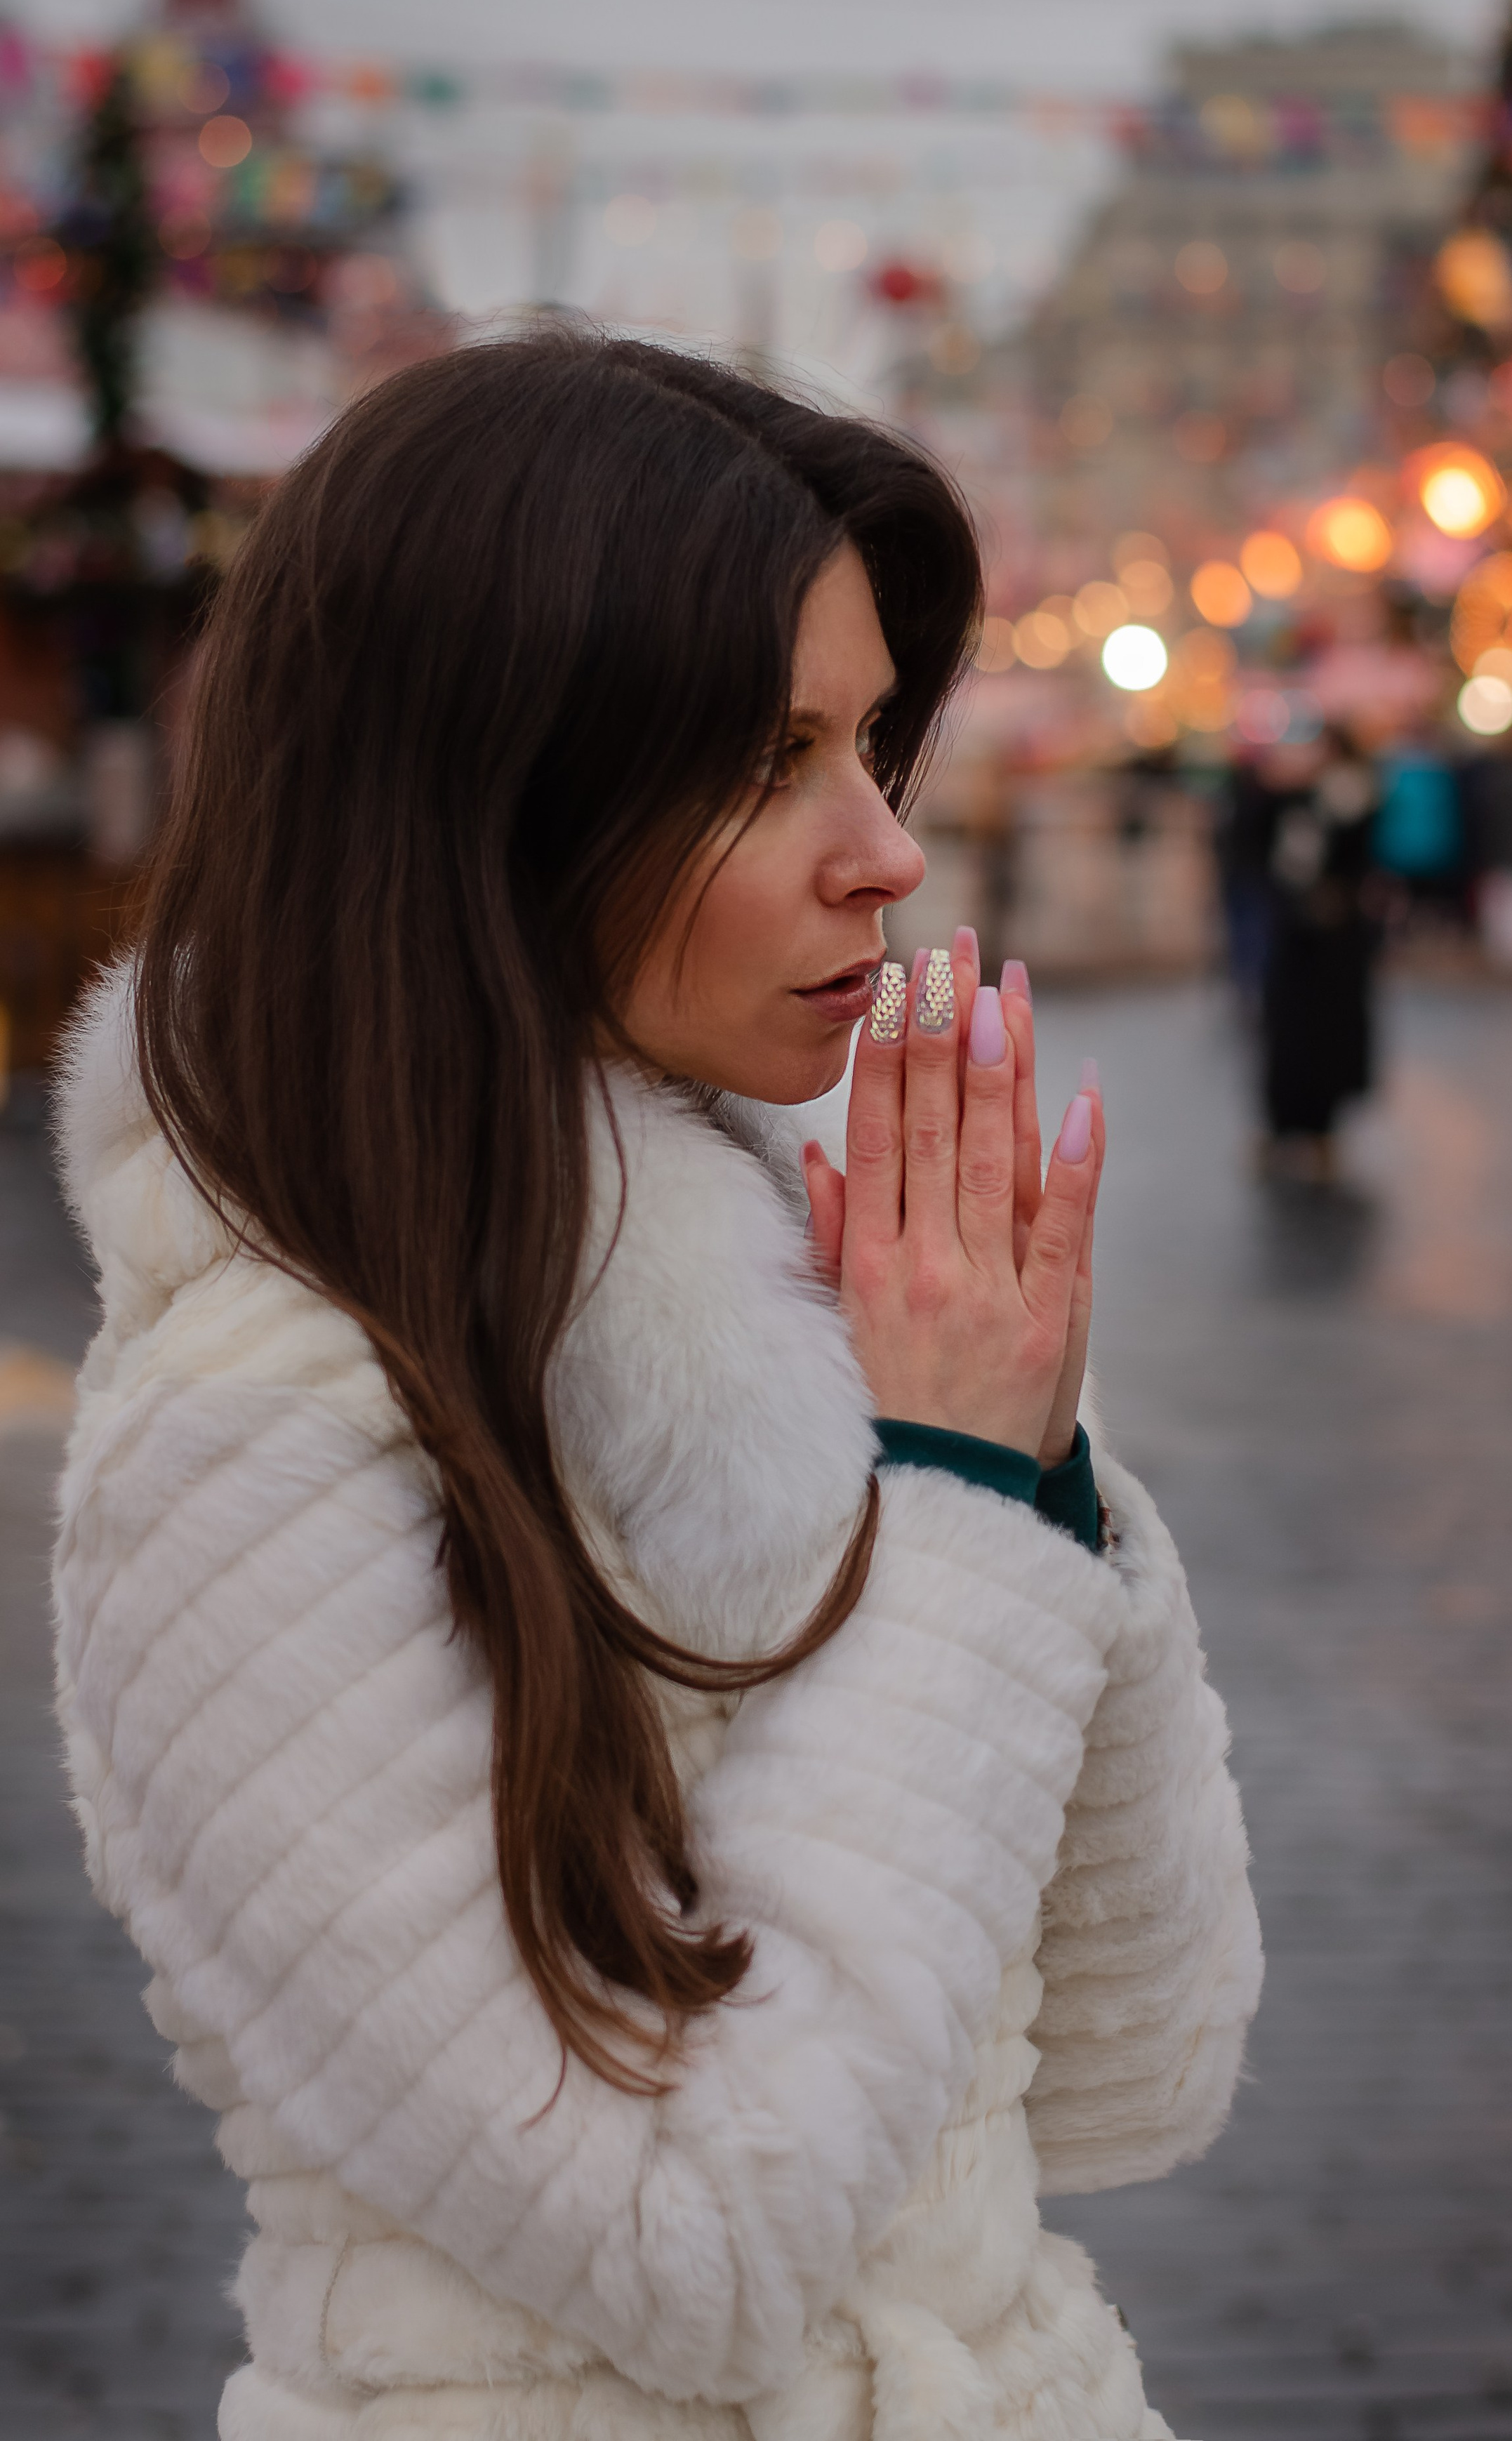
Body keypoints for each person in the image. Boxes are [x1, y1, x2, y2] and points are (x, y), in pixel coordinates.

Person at [51, 333, 1261, 2441]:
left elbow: (1134, 2067)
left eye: (872, 741)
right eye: (759, 756)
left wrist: (1031, 1469)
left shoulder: (787, 1324)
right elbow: (682, 2253)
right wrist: (966, 1509)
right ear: (484, 788)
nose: (882, 848)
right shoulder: (245, 1438)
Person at [1251, 725, 1382, 1181]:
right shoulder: (1285, 798)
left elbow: (1363, 855)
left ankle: (1323, 1134)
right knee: (1285, 1038)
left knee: (1329, 1042)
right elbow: (1251, 847)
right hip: (1294, 942)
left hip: (1336, 946)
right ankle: (1281, 1129)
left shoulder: (1352, 796)